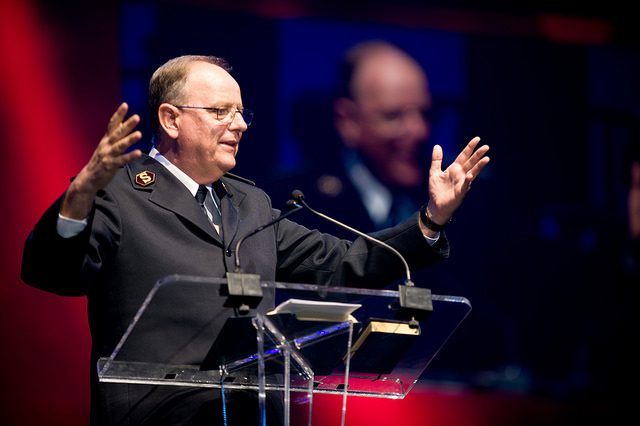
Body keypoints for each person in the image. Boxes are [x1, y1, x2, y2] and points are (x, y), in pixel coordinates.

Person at [20, 54, 489, 425]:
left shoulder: (250, 205)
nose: (240, 124)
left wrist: (430, 219)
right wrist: (78, 197)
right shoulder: (119, 193)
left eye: (241, 112)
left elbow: (344, 263)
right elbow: (52, 273)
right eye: (220, 112)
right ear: (170, 119)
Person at [269, 40, 436, 236]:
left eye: (426, 113)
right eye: (393, 116)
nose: (419, 131)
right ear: (348, 120)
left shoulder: (447, 199)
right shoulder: (296, 206)